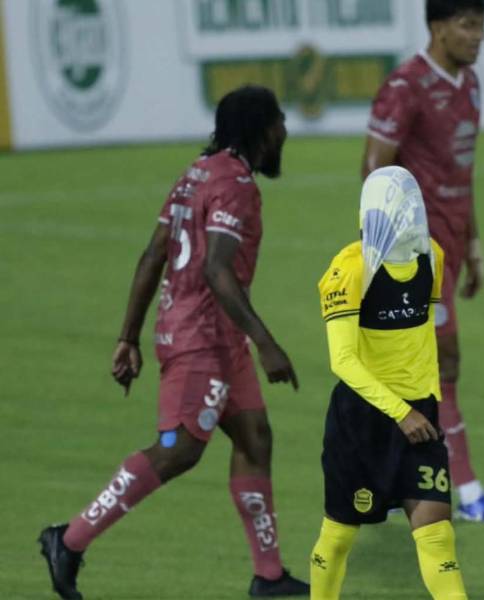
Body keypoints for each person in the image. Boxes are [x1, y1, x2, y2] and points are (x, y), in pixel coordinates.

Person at [38, 85, 309, 599]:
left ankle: (268, 576)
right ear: (260, 130)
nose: (284, 133)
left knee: (254, 438)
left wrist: (128, 337)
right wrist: (267, 343)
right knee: (178, 448)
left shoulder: (195, 173)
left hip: (213, 335)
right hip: (200, 337)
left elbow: (152, 255)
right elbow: (216, 269)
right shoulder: (236, 186)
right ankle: (68, 541)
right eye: (279, 122)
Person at [361, 0, 484, 522]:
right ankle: (467, 492)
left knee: (417, 368)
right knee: (442, 364)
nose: (478, 37)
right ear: (436, 27)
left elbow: (462, 171)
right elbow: (373, 167)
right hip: (413, 251)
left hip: (451, 245)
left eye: (481, 26)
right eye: (467, 26)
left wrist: (473, 244)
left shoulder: (469, 84)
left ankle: (378, 479)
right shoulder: (405, 86)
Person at [309, 166, 467, 600]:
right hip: (362, 421)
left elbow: (422, 340)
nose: (414, 213)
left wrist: (426, 401)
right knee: (339, 535)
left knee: (438, 536)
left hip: (420, 417)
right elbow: (342, 360)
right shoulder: (349, 270)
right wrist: (401, 411)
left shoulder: (431, 258)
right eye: (406, 207)